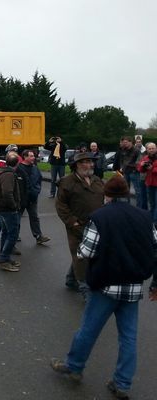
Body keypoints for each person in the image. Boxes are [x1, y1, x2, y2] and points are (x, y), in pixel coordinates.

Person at [50, 175, 157, 399]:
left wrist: (81, 252)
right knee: (128, 337)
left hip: (105, 284)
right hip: (133, 286)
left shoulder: (100, 217)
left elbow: (86, 251)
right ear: (127, 194)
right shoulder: (144, 217)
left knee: (89, 329)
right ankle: (122, 383)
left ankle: (74, 366)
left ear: (106, 195)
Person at [55, 152, 104, 300]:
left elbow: (104, 198)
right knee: (81, 256)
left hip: (97, 225)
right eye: (87, 162)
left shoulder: (97, 180)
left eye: (92, 162)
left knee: (84, 253)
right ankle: (85, 289)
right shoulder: (67, 182)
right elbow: (61, 205)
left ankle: (71, 279)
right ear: (77, 165)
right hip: (77, 225)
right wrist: (72, 221)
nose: (91, 165)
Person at [0, 152, 22, 272]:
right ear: (17, 163)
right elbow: (7, 192)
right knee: (13, 234)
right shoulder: (9, 175)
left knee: (5, 232)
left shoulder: (2, 172)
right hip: (8, 209)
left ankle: (5, 256)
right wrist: (14, 205)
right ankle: (4, 259)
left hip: (2, 207)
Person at [16, 149, 51, 244]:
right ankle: (14, 235)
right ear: (25, 157)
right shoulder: (18, 168)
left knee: (34, 217)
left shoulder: (35, 168)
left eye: (33, 156)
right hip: (21, 198)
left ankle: (38, 236)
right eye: (31, 156)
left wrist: (37, 191)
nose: (33, 158)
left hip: (32, 198)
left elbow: (39, 180)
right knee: (17, 217)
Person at [113, 136, 143, 208]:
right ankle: (127, 206)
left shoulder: (136, 150)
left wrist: (128, 165)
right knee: (126, 190)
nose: (124, 144)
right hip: (126, 172)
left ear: (131, 142)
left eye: (126, 142)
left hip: (134, 173)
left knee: (138, 191)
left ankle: (139, 208)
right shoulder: (124, 150)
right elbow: (122, 160)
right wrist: (122, 167)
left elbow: (139, 162)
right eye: (123, 142)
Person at [137, 142, 157, 223]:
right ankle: (152, 220)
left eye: (153, 148)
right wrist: (142, 165)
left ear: (156, 149)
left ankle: (155, 222)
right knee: (152, 203)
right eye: (149, 148)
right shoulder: (145, 158)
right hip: (150, 183)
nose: (151, 150)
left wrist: (152, 168)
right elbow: (140, 170)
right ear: (147, 149)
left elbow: (153, 169)